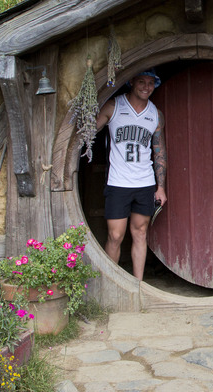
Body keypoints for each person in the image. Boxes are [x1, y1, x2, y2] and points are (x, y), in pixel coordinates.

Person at [95, 69, 167, 281]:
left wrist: (160, 187)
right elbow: (87, 132)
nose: (146, 87)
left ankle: (137, 285)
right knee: (115, 235)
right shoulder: (114, 106)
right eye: (142, 82)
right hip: (118, 182)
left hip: (144, 182)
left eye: (151, 83)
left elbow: (159, 150)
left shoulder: (156, 114)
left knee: (140, 233)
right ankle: (112, 284)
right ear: (132, 82)